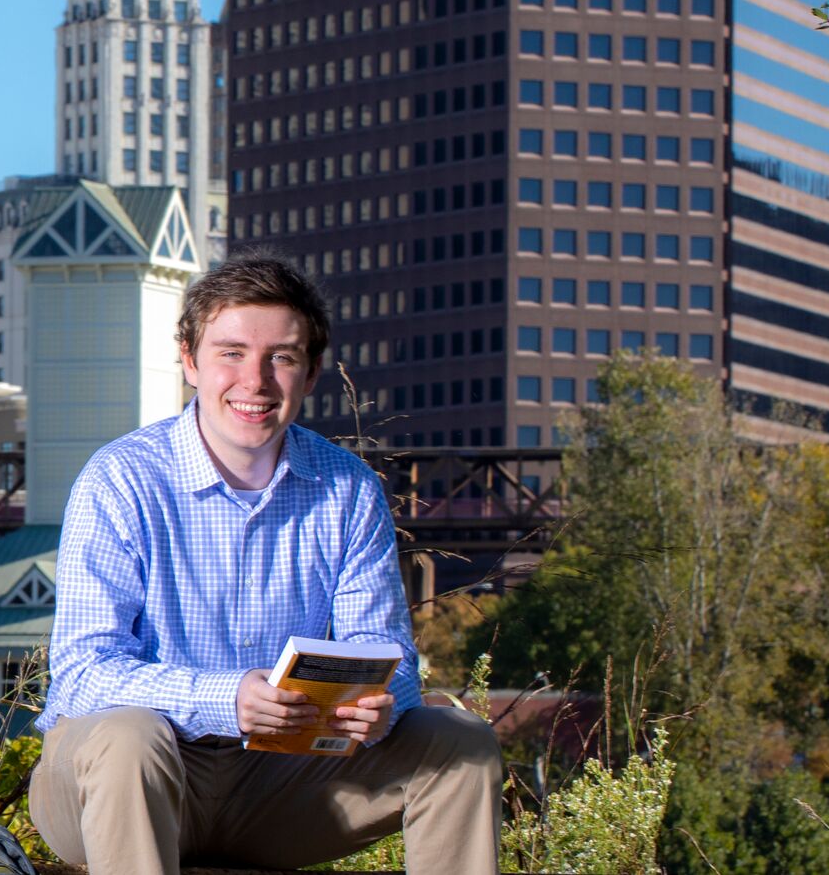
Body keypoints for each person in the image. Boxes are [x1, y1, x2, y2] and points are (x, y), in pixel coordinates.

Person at [25, 257, 501, 875]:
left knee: (460, 742)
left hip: (282, 783)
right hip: (118, 781)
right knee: (129, 736)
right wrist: (227, 698)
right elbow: (84, 675)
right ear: (190, 360)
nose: (255, 381)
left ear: (311, 374)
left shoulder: (347, 488)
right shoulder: (120, 479)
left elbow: (387, 654)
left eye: (281, 357)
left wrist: (380, 704)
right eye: (231, 353)